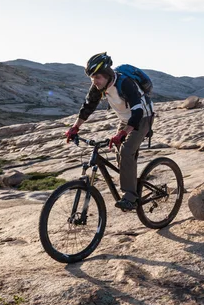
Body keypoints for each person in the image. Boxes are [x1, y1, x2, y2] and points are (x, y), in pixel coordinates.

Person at [65, 52, 154, 211]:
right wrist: (75, 127)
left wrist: (123, 133)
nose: (95, 81)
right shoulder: (98, 86)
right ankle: (131, 182)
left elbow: (138, 111)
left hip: (142, 118)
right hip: (125, 119)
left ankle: (131, 197)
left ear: (107, 74)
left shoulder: (125, 83)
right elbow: (88, 107)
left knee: (126, 151)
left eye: (97, 77)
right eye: (92, 78)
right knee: (121, 154)